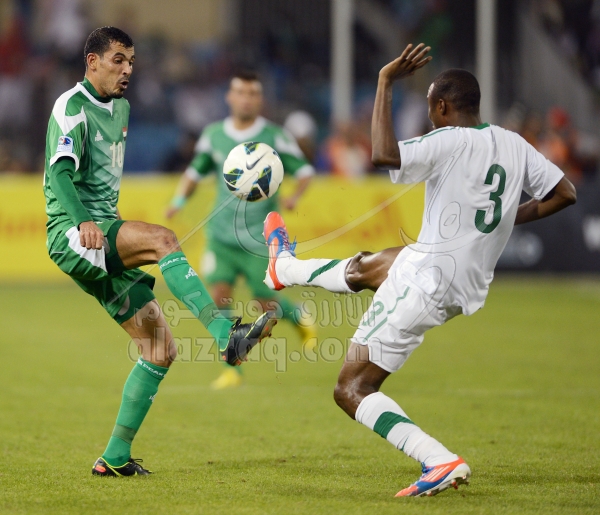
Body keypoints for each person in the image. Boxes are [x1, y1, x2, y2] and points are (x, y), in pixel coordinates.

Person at [263, 43, 577, 497]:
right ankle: (284, 268)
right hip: (459, 280)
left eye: (431, 107)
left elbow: (383, 154)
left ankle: (437, 459)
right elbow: (565, 192)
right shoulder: (513, 143)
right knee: (374, 265)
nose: (429, 116)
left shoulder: (447, 140)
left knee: (351, 389)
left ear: (442, 106)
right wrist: (509, 218)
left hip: (427, 283)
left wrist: (384, 82)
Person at [44, 27, 276, 477]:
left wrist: (106, 221)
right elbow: (59, 175)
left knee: (159, 349)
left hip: (100, 233)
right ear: (92, 61)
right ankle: (225, 336)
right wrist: (85, 221)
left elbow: (99, 180)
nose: (127, 69)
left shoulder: (122, 108)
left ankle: (113, 459)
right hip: (74, 233)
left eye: (131, 61)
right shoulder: (71, 107)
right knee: (163, 240)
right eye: (118, 60)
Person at [166, 71, 316, 390]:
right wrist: (178, 200)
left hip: (257, 239)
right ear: (229, 97)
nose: (246, 99)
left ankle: (296, 315)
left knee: (265, 305)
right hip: (221, 235)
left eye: (252, 93)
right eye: (241, 92)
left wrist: (295, 196)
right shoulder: (214, 135)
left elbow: (304, 171)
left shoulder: (275, 137)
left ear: (260, 99)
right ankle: (232, 370)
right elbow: (195, 172)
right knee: (219, 298)